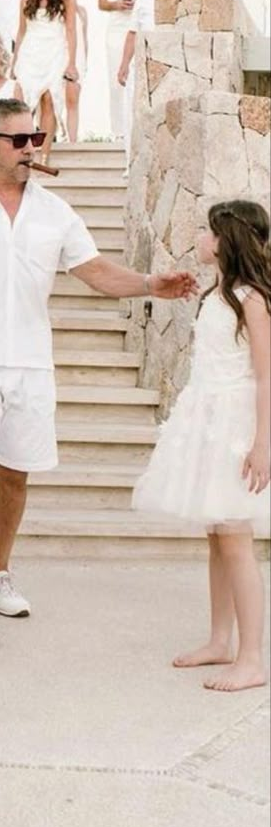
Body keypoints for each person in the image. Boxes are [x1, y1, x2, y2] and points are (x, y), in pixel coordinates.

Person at [0, 98, 198, 644]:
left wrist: (149, 285)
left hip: (30, 362)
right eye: (19, 141)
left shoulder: (54, 211)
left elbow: (93, 269)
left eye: (36, 138)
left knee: (16, 475)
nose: (30, 150)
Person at [133, 201, 270, 692]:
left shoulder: (253, 298)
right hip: (207, 417)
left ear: (228, 239)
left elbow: (265, 375)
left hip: (236, 424)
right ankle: (220, 640)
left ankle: (252, 657)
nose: (199, 237)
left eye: (207, 231)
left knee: (236, 538)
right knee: (217, 535)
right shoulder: (220, 293)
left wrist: (262, 444)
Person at [117, 0, 186, 152]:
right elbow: (133, 31)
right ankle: (132, 162)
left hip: (178, 66)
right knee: (135, 113)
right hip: (146, 66)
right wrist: (123, 65)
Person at [12, 0, 77, 164]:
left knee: (49, 98)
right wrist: (14, 62)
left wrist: (72, 63)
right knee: (24, 103)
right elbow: (21, 32)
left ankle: (44, 155)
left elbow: (70, 31)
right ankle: (21, 152)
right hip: (31, 51)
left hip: (55, 51)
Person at [98, 0, 151, 141]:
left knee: (142, 78)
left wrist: (140, 4)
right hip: (117, 29)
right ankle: (118, 132)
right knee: (116, 80)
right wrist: (117, 4)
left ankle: (140, 129)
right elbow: (101, 3)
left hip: (143, 27)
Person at [65, 0, 89, 143]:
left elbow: (85, 38)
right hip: (61, 57)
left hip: (78, 60)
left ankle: (72, 140)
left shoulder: (81, 11)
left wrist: (84, 62)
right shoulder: (57, 10)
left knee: (73, 100)